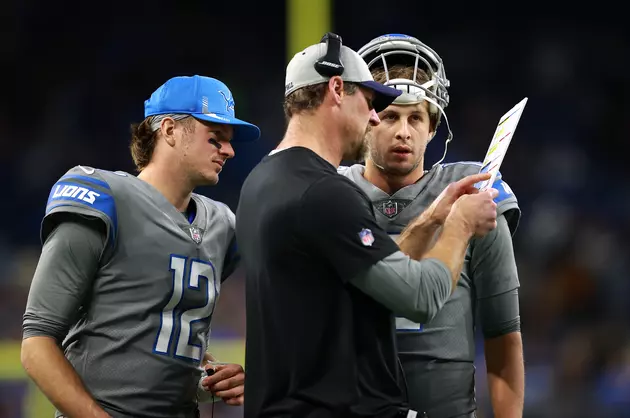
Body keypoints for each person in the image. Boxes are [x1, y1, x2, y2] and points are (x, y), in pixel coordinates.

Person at [236, 32, 500, 418]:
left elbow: (363, 282)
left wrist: (433, 217)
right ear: (337, 89)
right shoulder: (324, 192)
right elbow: (421, 299)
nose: (375, 117)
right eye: (372, 102)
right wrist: (459, 224)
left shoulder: (261, 181)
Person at [21, 75, 258, 418]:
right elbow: (37, 344)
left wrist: (208, 377)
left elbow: (161, 339)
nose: (229, 150)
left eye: (229, 140)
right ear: (169, 130)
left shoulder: (222, 225)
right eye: (215, 137)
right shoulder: (105, 197)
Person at [337, 33, 525, 418]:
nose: (403, 131)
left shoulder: (476, 192)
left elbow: (503, 334)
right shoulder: (330, 192)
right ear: (367, 119)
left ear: (433, 126)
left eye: (415, 117)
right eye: (390, 115)